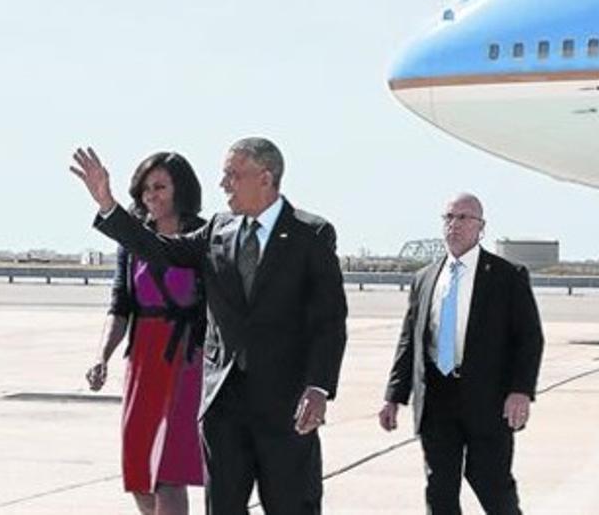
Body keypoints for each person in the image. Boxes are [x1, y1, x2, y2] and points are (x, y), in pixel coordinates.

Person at [72, 138, 348, 514]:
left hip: (286, 406)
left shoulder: (311, 234)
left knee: (291, 505)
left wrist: (318, 387)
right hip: (224, 407)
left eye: (233, 175)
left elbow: (328, 322)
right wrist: (108, 205)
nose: (224, 185)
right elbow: (160, 249)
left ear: (265, 178)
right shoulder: (219, 229)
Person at [379, 193, 544, 514]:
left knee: (491, 482)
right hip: (436, 398)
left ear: (481, 227)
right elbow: (409, 340)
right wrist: (394, 396)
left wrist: (521, 391)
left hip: (488, 399)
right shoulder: (425, 278)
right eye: (448, 217)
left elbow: (529, 338)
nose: (454, 224)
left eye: (463, 218)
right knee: (439, 487)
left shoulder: (507, 276)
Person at [85, 152, 206, 515]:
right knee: (139, 472)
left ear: (179, 190)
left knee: (169, 472)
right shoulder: (132, 242)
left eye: (160, 187)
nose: (151, 195)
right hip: (143, 362)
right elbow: (120, 307)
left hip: (188, 360)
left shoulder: (203, 234)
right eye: (145, 189)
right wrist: (101, 356)